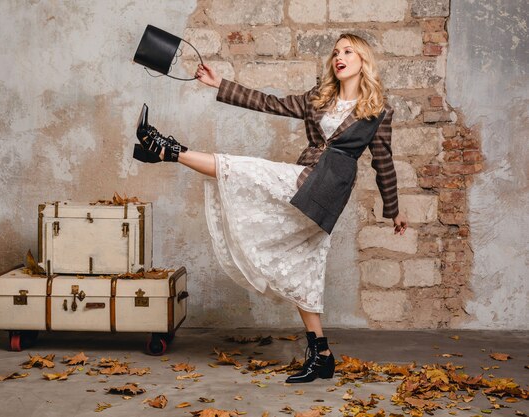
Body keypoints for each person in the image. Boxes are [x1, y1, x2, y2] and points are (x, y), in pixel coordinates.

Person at [132, 33, 408, 383]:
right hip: (304, 182)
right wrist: (220, 84)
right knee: (303, 266)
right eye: (336, 52)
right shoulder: (318, 99)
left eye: (348, 51)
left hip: (325, 192)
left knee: (254, 179)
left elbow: (383, 162)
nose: (339, 57)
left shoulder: (378, 112)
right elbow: (270, 103)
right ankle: (321, 354)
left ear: (362, 60)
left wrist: (394, 210)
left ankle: (168, 150)